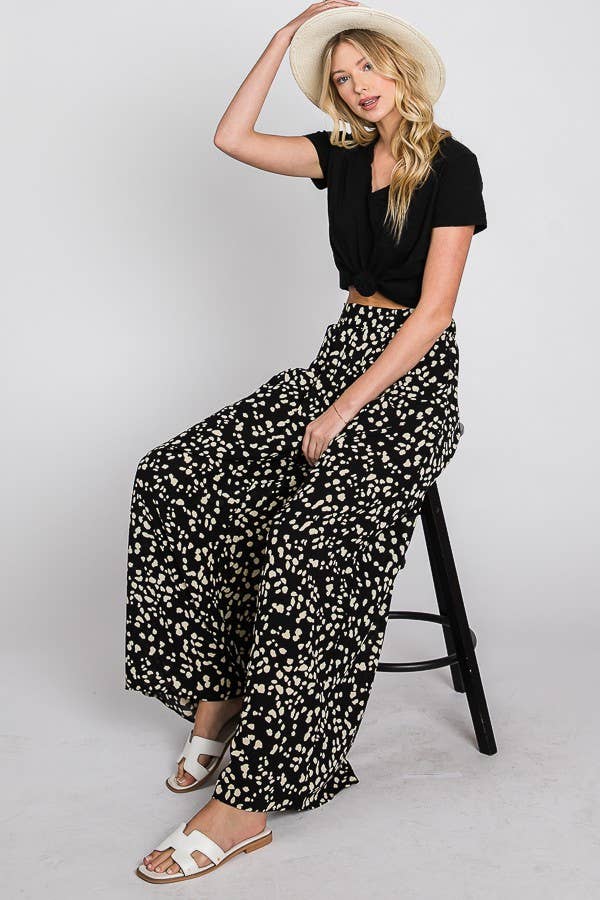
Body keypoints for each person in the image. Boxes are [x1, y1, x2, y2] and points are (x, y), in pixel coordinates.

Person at [128, 0, 487, 885]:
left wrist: (339, 415)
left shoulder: (452, 164)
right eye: (341, 75)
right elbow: (231, 138)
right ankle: (221, 698)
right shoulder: (341, 156)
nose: (358, 85)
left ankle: (250, 802)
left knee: (311, 547)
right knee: (176, 475)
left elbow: (433, 314)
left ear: (399, 68)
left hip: (409, 385)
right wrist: (284, 38)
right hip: (338, 358)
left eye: (368, 66)